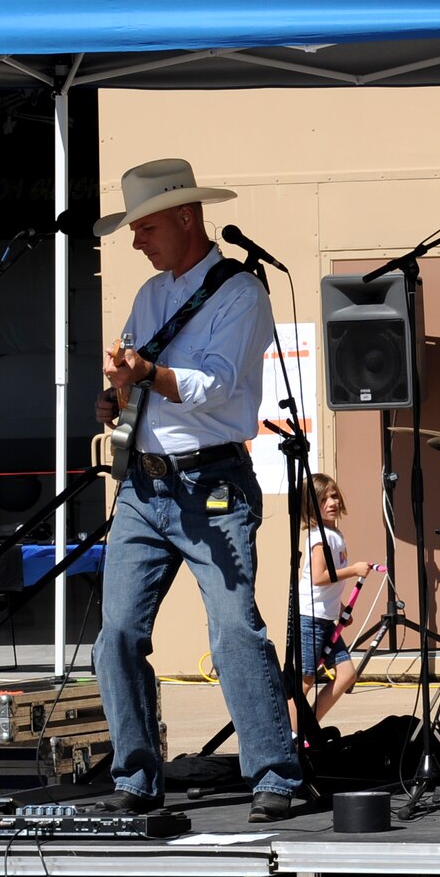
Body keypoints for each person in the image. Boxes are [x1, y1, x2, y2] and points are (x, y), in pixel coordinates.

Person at [89, 157, 303, 822]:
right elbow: (140, 382)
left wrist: (145, 373)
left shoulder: (241, 292)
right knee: (117, 632)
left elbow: (216, 386)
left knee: (234, 628)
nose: (136, 240)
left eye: (146, 226)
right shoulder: (151, 295)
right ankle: (137, 776)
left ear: (186, 217)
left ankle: (276, 773)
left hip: (211, 481)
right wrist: (117, 397)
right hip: (144, 485)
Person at [298, 474, 375, 726]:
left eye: (333, 495)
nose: (331, 502)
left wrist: (340, 607)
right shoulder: (319, 537)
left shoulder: (334, 534)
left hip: (325, 618)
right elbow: (319, 577)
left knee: (346, 674)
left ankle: (309, 725)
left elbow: (328, 583)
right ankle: (290, 735)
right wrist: (353, 570)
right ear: (311, 506)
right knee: (305, 680)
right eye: (323, 499)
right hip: (310, 618)